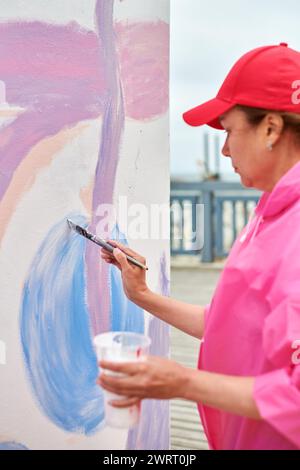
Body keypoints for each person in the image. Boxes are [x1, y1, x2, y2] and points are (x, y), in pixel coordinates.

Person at [97, 43, 300, 450]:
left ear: (271, 128)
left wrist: (182, 382)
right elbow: (233, 327)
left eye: (228, 130)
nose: (224, 149)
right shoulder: (270, 208)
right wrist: (141, 295)